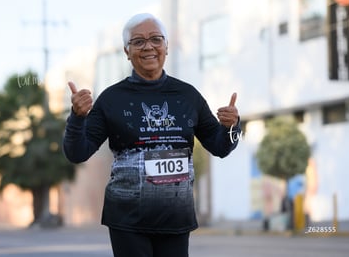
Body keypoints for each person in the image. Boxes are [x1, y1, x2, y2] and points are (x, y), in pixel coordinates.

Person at [63, 13, 241, 257]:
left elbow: (221, 147)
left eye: (156, 39)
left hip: (176, 219)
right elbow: (76, 152)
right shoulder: (111, 99)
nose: (148, 46)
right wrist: (77, 117)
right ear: (126, 51)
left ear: (166, 46)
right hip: (127, 220)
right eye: (138, 41)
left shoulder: (187, 96)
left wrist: (232, 127)